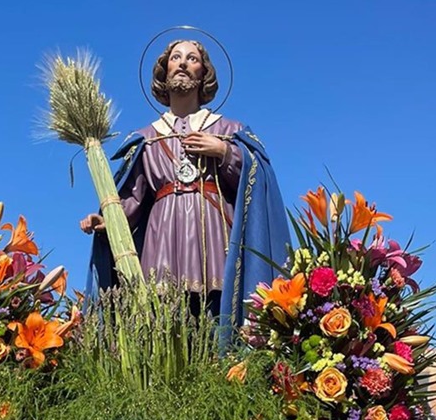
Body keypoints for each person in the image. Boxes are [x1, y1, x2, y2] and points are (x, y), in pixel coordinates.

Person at [81, 37, 288, 334]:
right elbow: (133, 196)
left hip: (214, 234)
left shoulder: (228, 130)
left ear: (204, 73)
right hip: (162, 239)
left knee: (215, 318)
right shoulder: (146, 139)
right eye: (176, 58)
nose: (183, 64)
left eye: (192, 59)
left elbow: (259, 181)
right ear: (164, 72)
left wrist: (224, 152)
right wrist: (108, 221)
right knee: (164, 322)